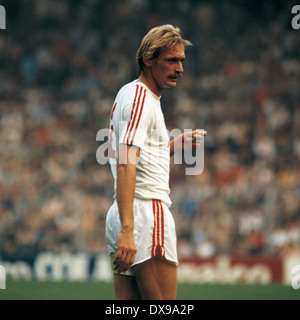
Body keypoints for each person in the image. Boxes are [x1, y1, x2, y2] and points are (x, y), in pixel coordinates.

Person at [105, 24, 207, 300]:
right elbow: (126, 162)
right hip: (144, 213)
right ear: (149, 59)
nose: (180, 68)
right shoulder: (142, 98)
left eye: (182, 61)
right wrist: (129, 229)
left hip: (124, 212)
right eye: (172, 60)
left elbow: (134, 154)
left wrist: (170, 147)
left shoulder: (129, 93)